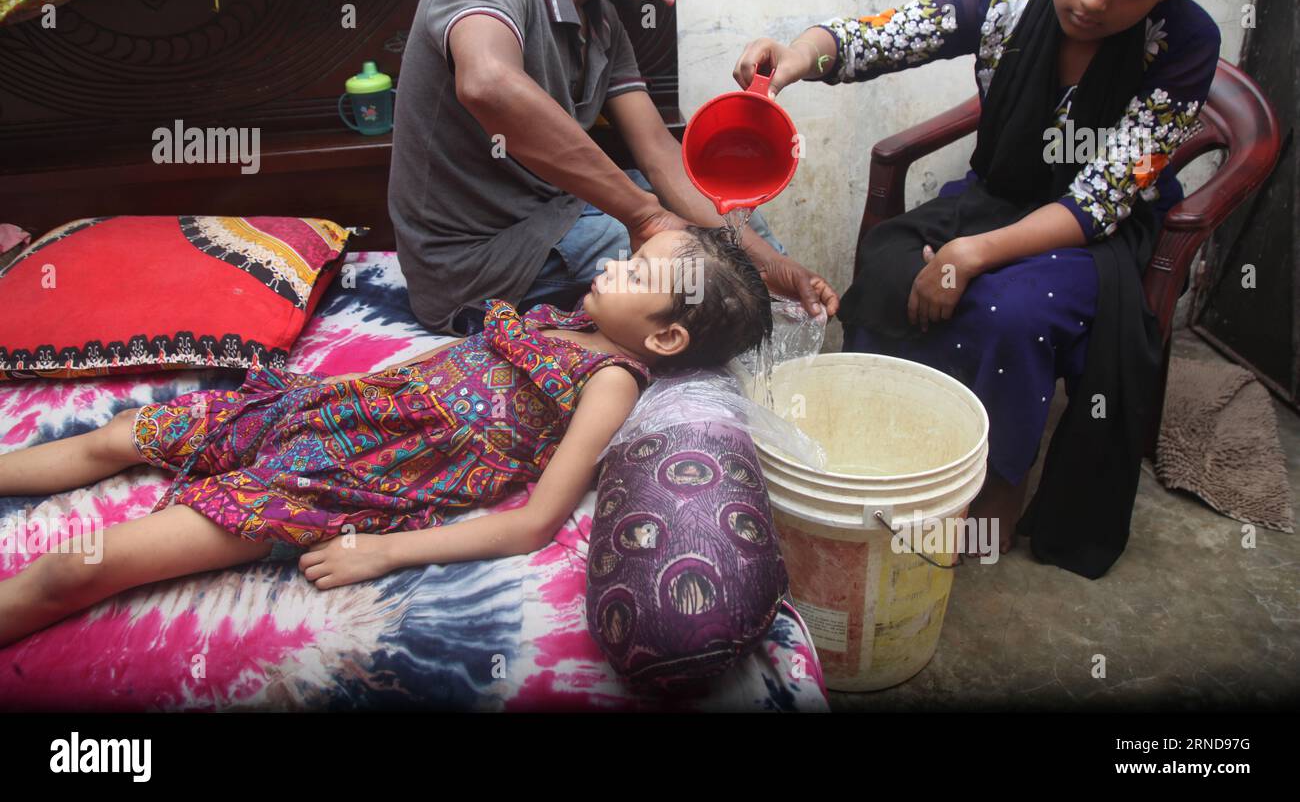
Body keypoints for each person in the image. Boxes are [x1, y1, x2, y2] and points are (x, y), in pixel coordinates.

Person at [732, 0, 1240, 577]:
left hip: (1094, 232)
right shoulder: (1007, 1)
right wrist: (796, 54)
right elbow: (882, 35)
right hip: (995, 197)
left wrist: (970, 255)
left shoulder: (1185, 42)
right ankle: (890, 459)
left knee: (1008, 312)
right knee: (884, 266)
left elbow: (1104, 195)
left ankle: (992, 504)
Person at [0, 227, 772, 648]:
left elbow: (536, 522)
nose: (613, 267)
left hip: (336, 480)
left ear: (666, 340)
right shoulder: (580, 322)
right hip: (324, 410)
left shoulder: (609, 382)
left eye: (638, 273)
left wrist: (384, 550)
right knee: (118, 437)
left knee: (79, 567)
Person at [388, 0, 839, 337]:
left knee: (733, 225)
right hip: (475, 262)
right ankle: (717, 403)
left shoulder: (602, 24)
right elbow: (487, 83)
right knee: (692, 272)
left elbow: (661, 156)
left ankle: (777, 384)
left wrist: (773, 266)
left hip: (553, 218)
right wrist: (644, 216)